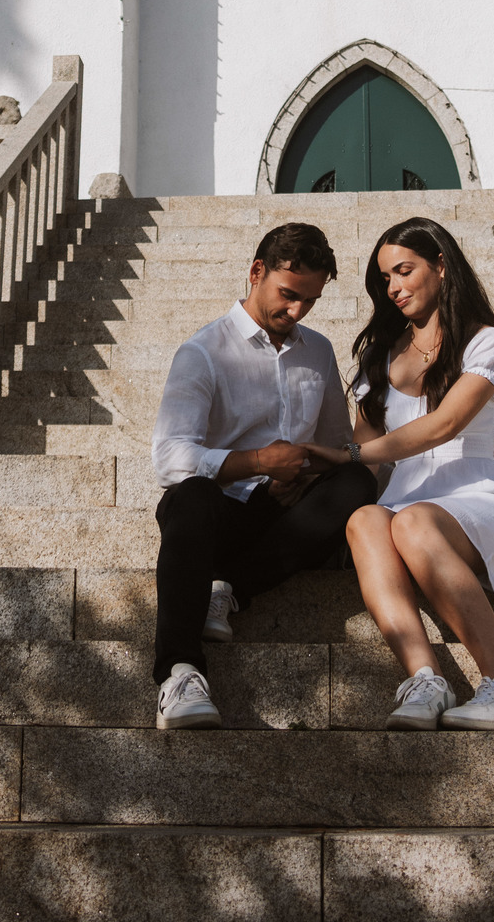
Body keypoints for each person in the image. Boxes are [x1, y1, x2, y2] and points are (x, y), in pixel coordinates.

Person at [307, 215, 494, 731]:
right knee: (365, 520)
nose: (393, 287)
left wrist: (351, 454)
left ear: (440, 266)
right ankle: (426, 681)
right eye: (384, 278)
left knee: (412, 521)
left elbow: (446, 424)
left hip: (471, 491)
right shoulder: (380, 354)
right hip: (404, 499)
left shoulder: (486, 342)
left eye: (404, 271)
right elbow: (366, 451)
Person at [149, 221, 376, 729]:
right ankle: (179, 674)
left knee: (357, 484)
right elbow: (168, 457)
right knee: (189, 496)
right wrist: (257, 462)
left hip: (284, 515)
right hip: (216, 518)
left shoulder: (318, 351)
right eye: (288, 294)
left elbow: (338, 445)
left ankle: (229, 588)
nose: (297, 311)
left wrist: (306, 471)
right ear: (256, 272)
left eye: (309, 301)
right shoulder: (203, 351)